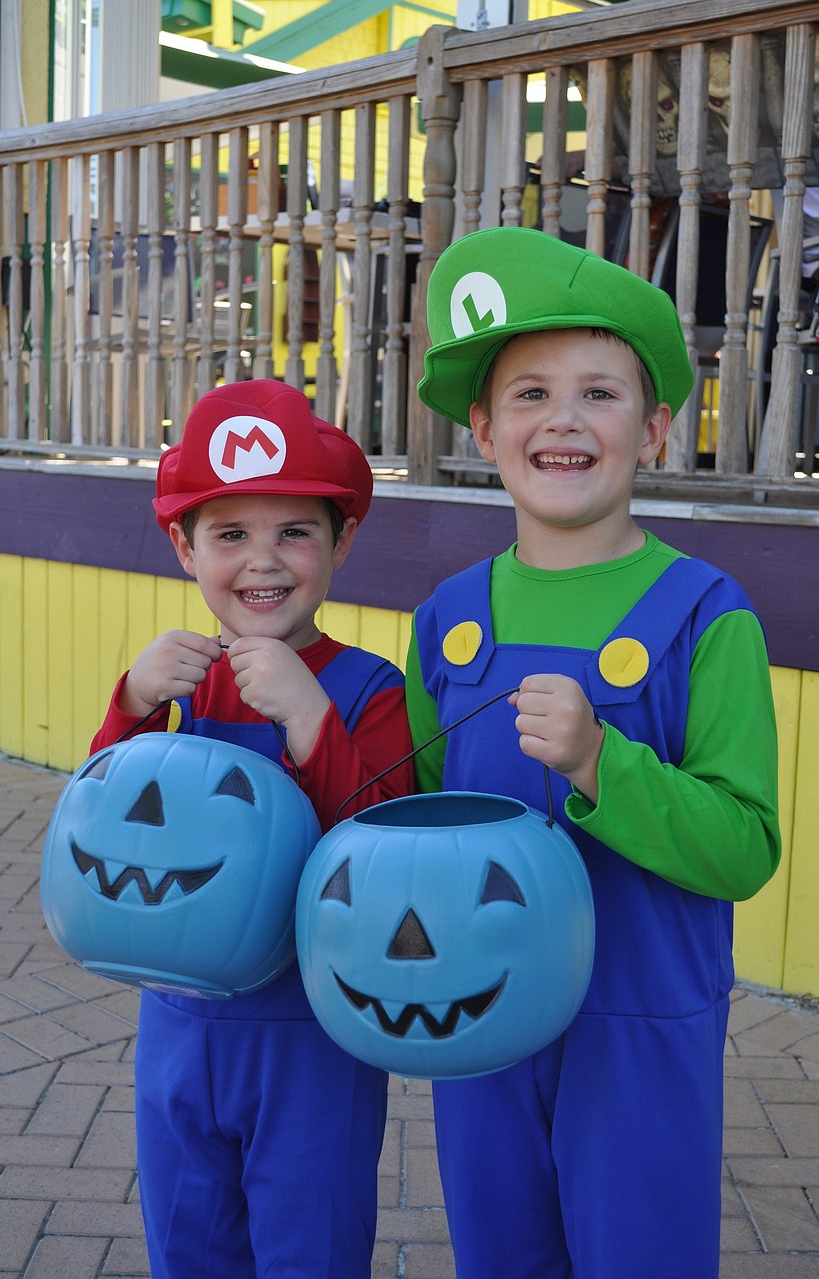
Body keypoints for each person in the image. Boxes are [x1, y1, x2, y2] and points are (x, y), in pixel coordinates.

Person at [406, 227, 780, 1278]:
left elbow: (745, 845)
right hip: (477, 1017)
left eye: (599, 395)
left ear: (655, 430)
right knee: (498, 1252)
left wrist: (600, 764)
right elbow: (424, 834)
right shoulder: (446, 620)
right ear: (482, 429)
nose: (562, 419)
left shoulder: (708, 614)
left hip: (639, 1025)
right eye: (527, 394)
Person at [91, 378, 414, 1279]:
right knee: (189, 1243)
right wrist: (129, 706)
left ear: (341, 542)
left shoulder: (370, 689)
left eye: (295, 532)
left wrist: (313, 722)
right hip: (177, 1025)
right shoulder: (179, 685)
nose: (263, 561)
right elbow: (105, 832)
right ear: (183, 549)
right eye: (231, 534)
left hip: (312, 1038)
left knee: (308, 1248)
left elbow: (384, 865)